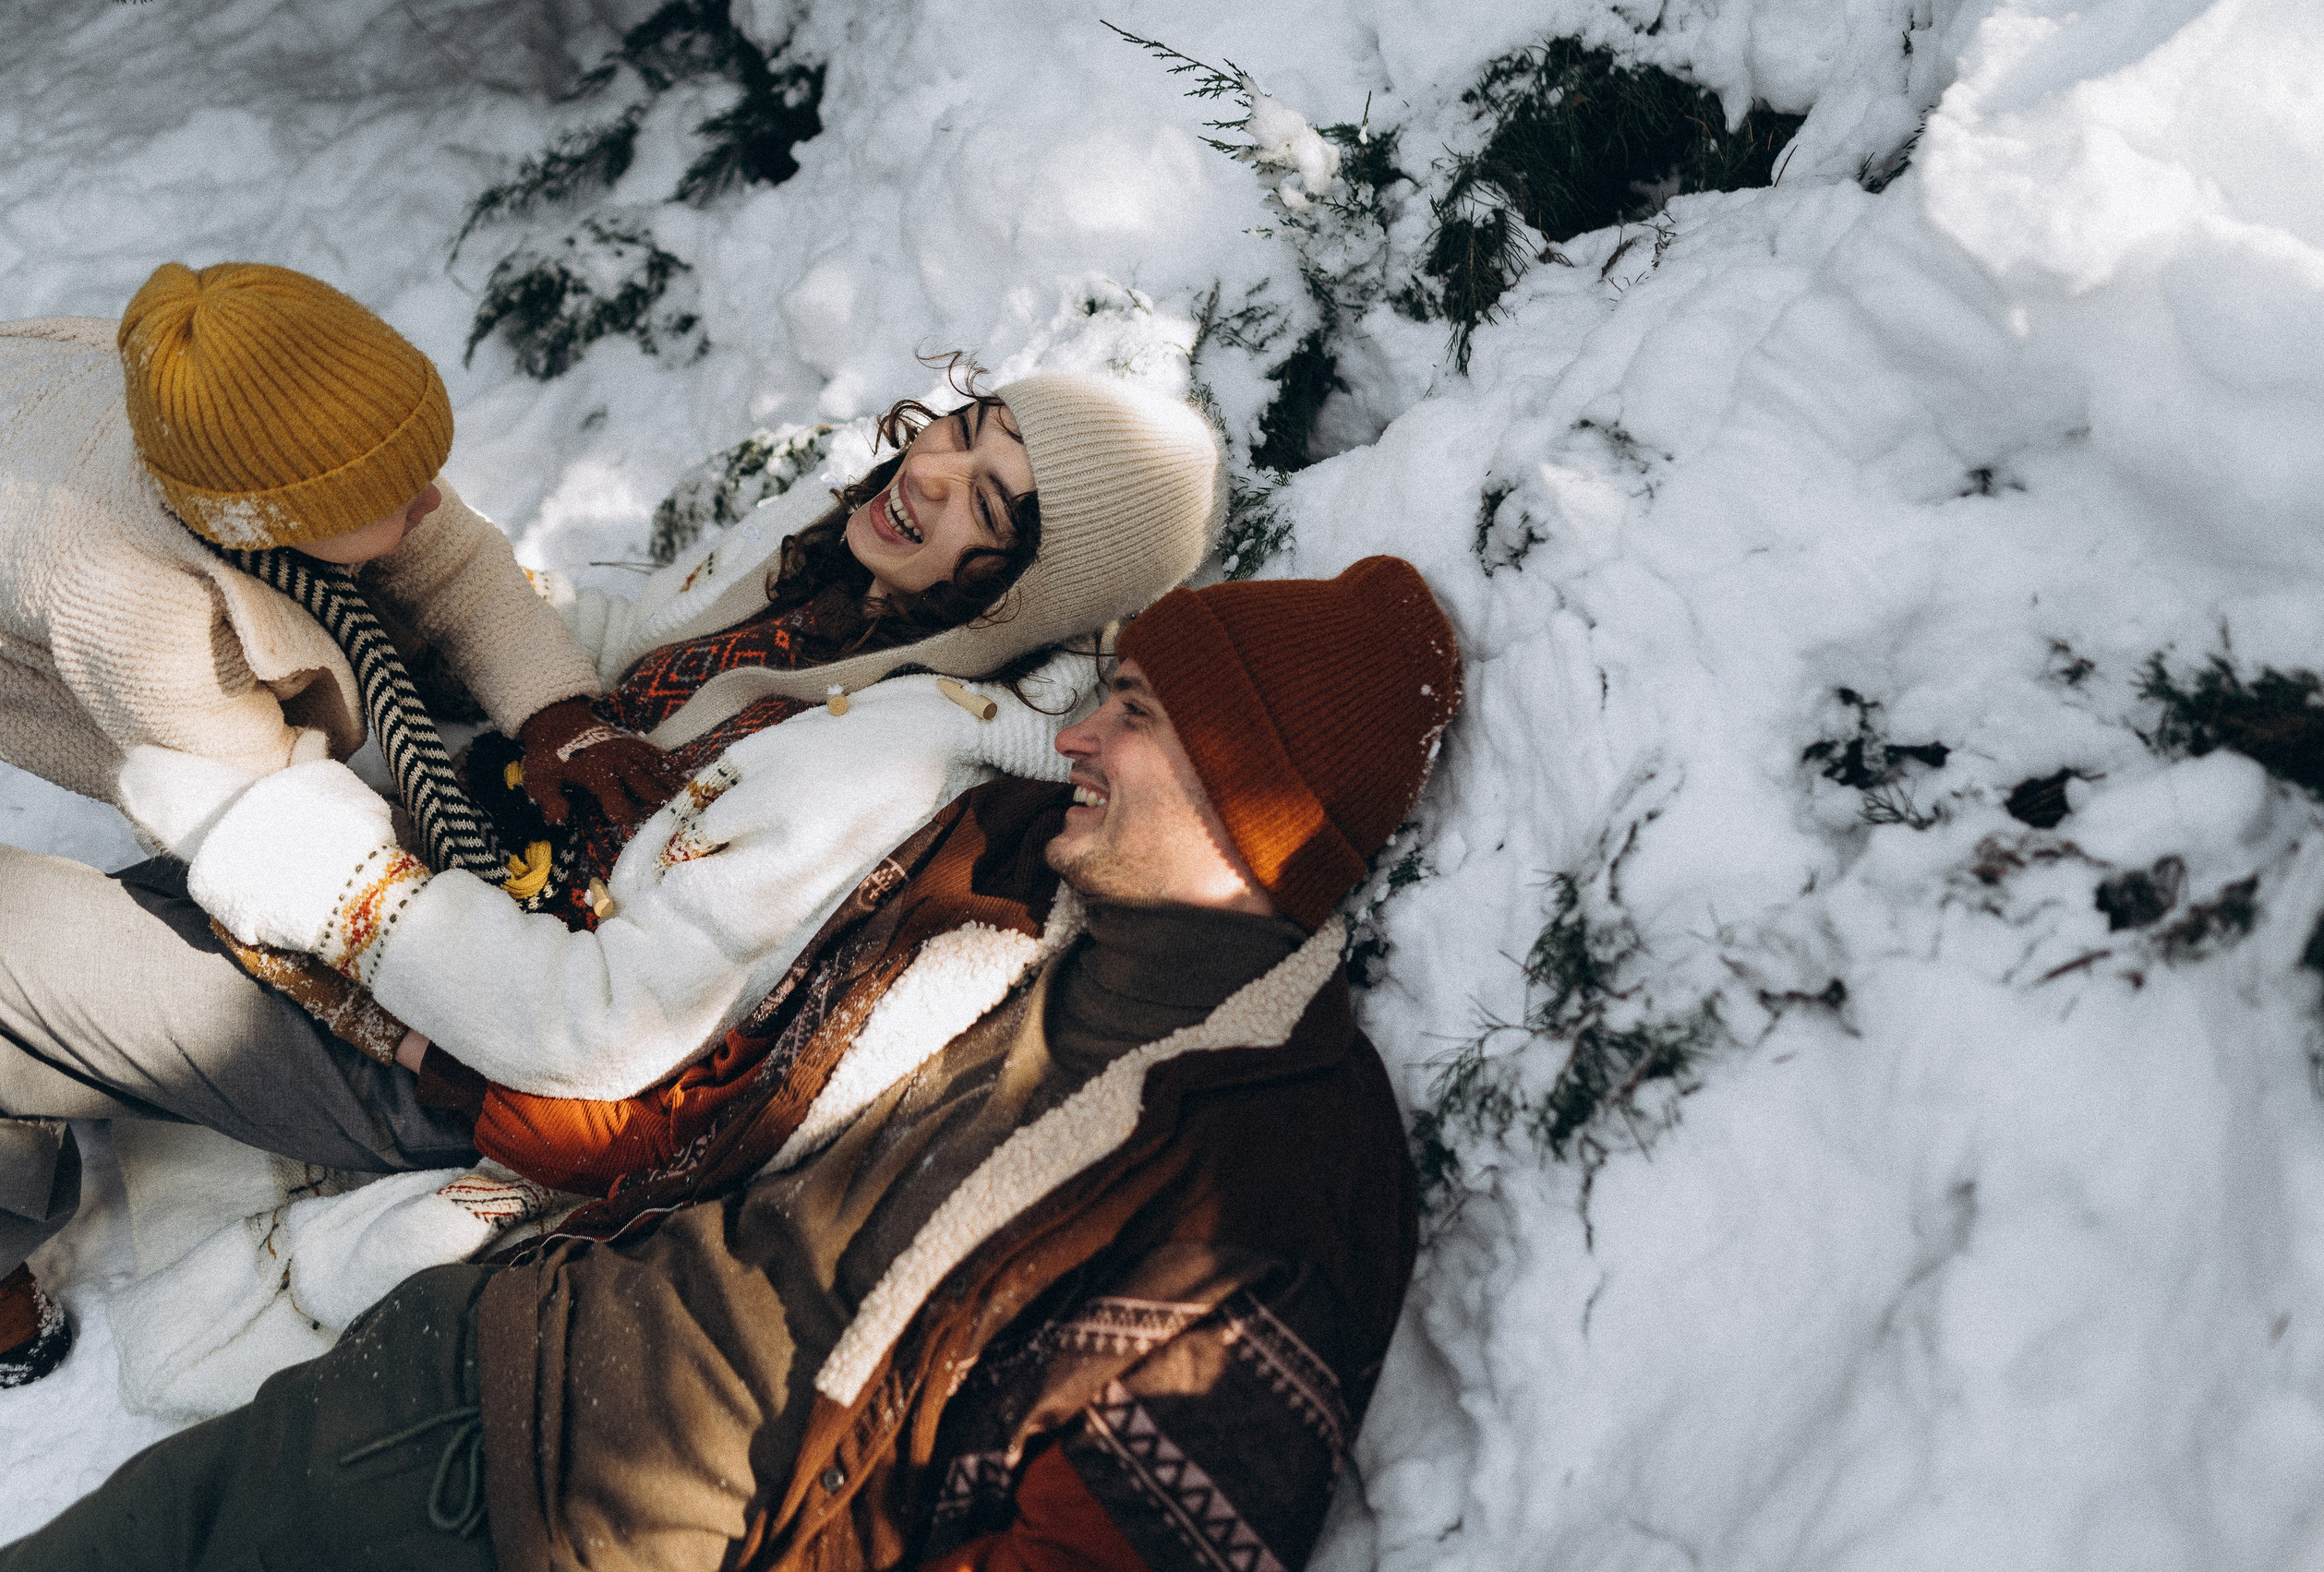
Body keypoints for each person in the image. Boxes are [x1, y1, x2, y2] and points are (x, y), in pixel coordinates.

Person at [1, 554, 1461, 1572]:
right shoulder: (1028, 893)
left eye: (1136, 711)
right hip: (464, 1356)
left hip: (560, 1514)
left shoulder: (1281, 1158)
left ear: (1253, 785)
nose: (1075, 729)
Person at [0, 366, 1223, 1384]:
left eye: (991, 505)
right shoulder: (831, 573)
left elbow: (596, 1029)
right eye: (963, 428)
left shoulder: (890, 760)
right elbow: (628, 654)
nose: (933, 476)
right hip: (461, 871)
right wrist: (465, 595)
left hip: (438, 1042)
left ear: (1031, 587)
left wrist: (328, 869)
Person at [0, 259, 680, 1385]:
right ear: (260, 519)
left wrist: (559, 710)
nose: (430, 500)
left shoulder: (267, 429)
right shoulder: (133, 607)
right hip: (86, 627)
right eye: (392, 494)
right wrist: (408, 1032)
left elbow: (451, 561)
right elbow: (276, 850)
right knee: (189, 857)